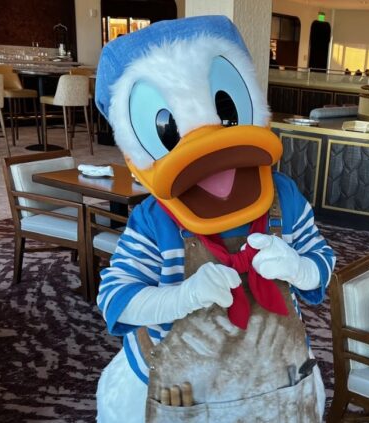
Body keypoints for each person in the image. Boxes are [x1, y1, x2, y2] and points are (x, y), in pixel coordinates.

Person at [94, 16, 335, 422]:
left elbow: (322, 261)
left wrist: (301, 268)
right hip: (184, 394)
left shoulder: (285, 197)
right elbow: (115, 298)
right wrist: (182, 297)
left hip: (277, 382)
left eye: (226, 112)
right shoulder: (154, 219)